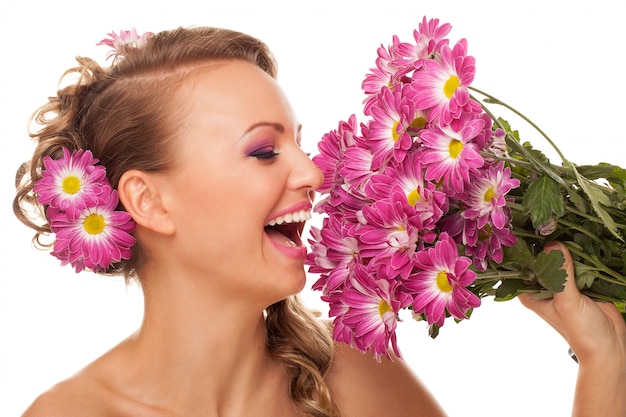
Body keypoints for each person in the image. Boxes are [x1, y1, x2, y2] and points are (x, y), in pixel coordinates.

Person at [12, 26, 626, 417]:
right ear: (149, 202)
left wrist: (602, 360)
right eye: (262, 150)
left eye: (299, 143)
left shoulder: (348, 377)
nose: (315, 171)